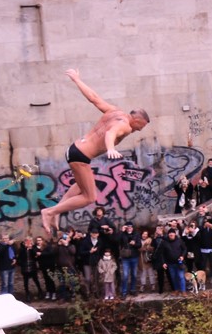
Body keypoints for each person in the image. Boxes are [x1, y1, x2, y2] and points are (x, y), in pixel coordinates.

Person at [41, 70, 149, 236]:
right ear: (137, 119)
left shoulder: (115, 111)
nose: (140, 129)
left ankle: (56, 212)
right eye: (142, 126)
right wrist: (111, 148)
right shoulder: (125, 125)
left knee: (80, 185)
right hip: (81, 157)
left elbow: (94, 98)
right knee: (89, 197)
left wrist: (77, 80)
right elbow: (110, 133)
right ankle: (49, 212)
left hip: (74, 149)